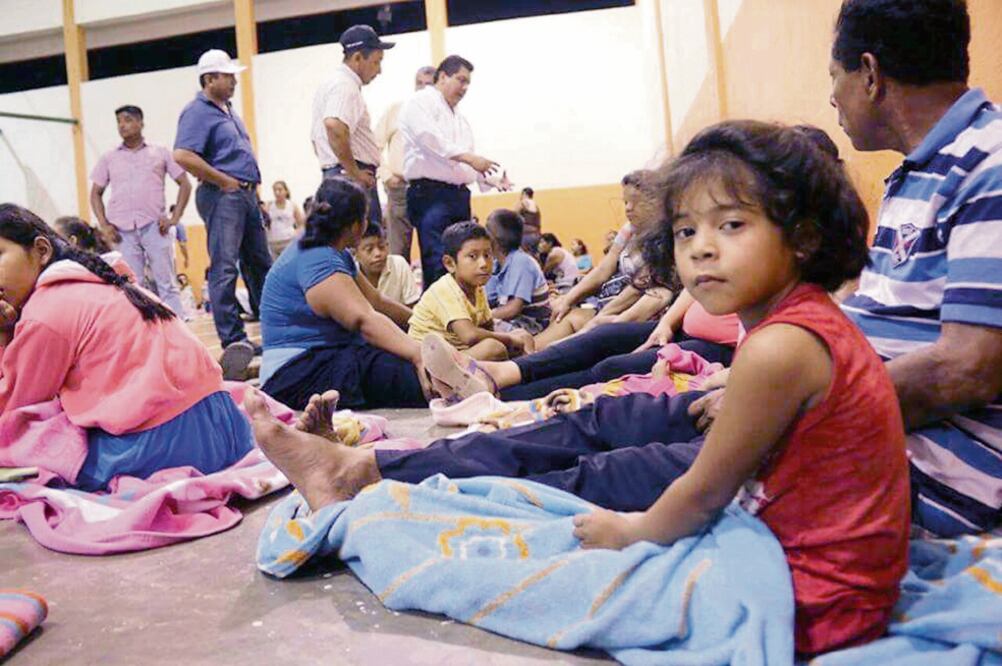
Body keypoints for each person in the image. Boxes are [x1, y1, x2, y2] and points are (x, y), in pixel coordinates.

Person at [248, 120, 909, 655]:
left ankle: (382, 476)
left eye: (731, 226)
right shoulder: (792, 328)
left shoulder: (778, 348)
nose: (702, 249)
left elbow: (705, 490)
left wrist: (632, 532)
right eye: (686, 232)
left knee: (580, 507)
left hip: (817, 595)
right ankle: (388, 462)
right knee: (595, 399)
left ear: (804, 236)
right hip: (835, 569)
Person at [828, 0, 1002, 537]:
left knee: (631, 480)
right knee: (619, 436)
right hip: (877, 434)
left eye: (834, 78)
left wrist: (799, 408)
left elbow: (968, 368)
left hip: (935, 471)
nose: (831, 97)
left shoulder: (989, 166)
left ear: (871, 75)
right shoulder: (918, 173)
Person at [0, 204, 254, 491]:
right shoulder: (107, 280)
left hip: (170, 448)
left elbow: (11, 406)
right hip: (226, 430)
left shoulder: (44, 311)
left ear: (42, 250)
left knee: (26, 436)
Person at [257, 177, 432, 411]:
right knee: (411, 373)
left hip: (319, 358)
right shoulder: (317, 255)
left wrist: (425, 324)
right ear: (356, 225)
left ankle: (483, 372)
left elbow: (376, 301)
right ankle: (483, 381)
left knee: (404, 350)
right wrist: (417, 354)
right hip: (297, 374)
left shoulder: (333, 251)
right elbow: (365, 320)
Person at [173, 49, 273, 380]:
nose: (233, 81)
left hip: (244, 194)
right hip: (223, 195)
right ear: (209, 79)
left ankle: (270, 330)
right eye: (228, 76)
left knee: (260, 264)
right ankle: (233, 339)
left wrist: (254, 196)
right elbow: (183, 155)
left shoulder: (227, 111)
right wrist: (223, 180)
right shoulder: (197, 112)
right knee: (225, 267)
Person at [399, 55, 507, 289]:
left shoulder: (460, 118)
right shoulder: (420, 102)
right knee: (439, 261)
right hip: (431, 194)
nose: (465, 87)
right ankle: (442, 322)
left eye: (468, 83)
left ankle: (462, 317)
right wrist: (471, 159)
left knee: (464, 262)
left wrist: (490, 178)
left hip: (458, 195)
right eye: (461, 80)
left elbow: (468, 160)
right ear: (443, 76)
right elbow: (430, 139)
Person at [90, 104, 191, 317]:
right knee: (132, 285)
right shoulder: (109, 157)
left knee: (167, 283)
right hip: (121, 230)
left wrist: (174, 218)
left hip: (155, 226)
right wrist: (104, 225)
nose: (122, 125)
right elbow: (95, 193)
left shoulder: (161, 152)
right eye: (119, 121)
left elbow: (185, 183)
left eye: (127, 120)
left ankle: (178, 329)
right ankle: (143, 331)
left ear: (140, 123)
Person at [408, 222, 532, 361]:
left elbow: (488, 327)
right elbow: (469, 335)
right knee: (494, 349)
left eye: (487, 255)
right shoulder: (444, 289)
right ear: (450, 263)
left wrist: (512, 339)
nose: (484, 264)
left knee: (523, 336)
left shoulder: (477, 289)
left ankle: (527, 372)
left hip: (460, 354)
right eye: (473, 256)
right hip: (432, 360)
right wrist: (509, 340)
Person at [312, 25, 395, 225]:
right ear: (357, 58)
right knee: (365, 244)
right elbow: (334, 126)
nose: (380, 70)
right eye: (376, 62)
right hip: (351, 175)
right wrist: (354, 172)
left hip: (339, 172)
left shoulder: (332, 83)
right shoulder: (344, 86)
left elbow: (318, 138)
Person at [375, 65, 436, 258]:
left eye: (429, 84)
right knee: (398, 253)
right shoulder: (396, 110)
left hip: (432, 189)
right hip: (400, 188)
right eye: (419, 83)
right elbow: (373, 146)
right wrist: (386, 176)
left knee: (433, 251)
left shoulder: (441, 115)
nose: (423, 88)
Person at [485, 209, 552, 338]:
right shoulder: (496, 264)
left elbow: (513, 309)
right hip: (510, 322)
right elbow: (488, 300)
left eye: (487, 229)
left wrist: (479, 318)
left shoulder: (521, 261)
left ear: (496, 238)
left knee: (476, 332)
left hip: (530, 326)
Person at [355, 223, 421, 307]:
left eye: (381, 247)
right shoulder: (349, 273)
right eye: (369, 249)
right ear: (355, 253)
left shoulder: (399, 264)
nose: (377, 253)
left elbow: (413, 305)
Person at [265, 180, 304, 259]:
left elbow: (301, 223)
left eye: (280, 190)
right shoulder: (269, 205)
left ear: (286, 191)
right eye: (275, 190)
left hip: (288, 240)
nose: (277, 193)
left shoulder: (292, 205)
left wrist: (297, 234)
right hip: (273, 242)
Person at [518, 187, 542, 254]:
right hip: (537, 234)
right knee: (534, 256)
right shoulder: (536, 205)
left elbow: (514, 217)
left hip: (526, 234)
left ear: (524, 194)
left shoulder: (522, 203)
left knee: (525, 257)